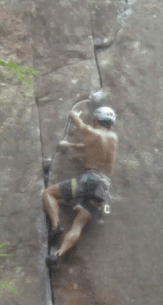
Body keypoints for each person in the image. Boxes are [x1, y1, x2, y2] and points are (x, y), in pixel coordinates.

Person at [43, 106, 118, 267]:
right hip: (104, 186)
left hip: (89, 180)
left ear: (96, 120)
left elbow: (80, 125)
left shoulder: (92, 132)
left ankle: (55, 226)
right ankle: (58, 255)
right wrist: (70, 145)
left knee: (49, 193)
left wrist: (74, 115)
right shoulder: (114, 139)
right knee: (78, 224)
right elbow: (90, 147)